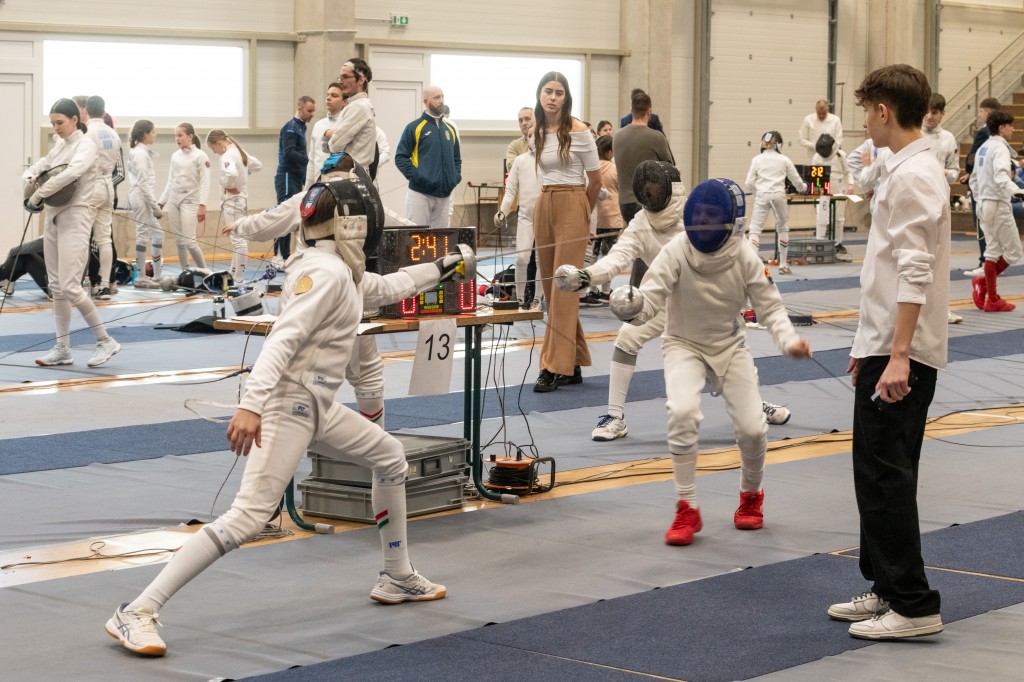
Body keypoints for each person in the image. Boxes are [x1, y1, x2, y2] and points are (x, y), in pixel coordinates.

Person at [104, 160, 464, 658]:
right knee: (247, 517)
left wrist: (442, 266)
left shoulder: (335, 269)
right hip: (288, 403)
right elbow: (283, 338)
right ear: (352, 224)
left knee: (389, 457)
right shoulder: (325, 273)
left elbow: (385, 288)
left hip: (316, 404)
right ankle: (137, 609)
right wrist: (252, 405)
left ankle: (396, 575)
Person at [608, 178, 811, 545]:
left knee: (752, 429)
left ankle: (751, 495)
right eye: (697, 213)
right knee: (682, 412)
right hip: (683, 344)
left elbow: (770, 309)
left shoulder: (745, 257)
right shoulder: (677, 250)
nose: (702, 220)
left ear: (728, 221)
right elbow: (651, 299)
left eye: (711, 214)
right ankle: (687, 507)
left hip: (730, 346)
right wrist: (634, 308)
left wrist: (789, 342)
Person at [827, 63, 949, 641]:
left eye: (866, 111)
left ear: (883, 110)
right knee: (875, 471)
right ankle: (884, 585)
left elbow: (914, 271)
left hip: (905, 350)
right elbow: (881, 271)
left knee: (886, 477)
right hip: (885, 342)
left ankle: (913, 604)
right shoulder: (902, 168)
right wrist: (868, 345)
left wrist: (898, 355)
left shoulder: (915, 175)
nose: (864, 122)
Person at [554, 161, 798, 441]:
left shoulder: (694, 215)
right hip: (658, 299)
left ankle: (754, 405)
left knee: (724, 362)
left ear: (672, 189)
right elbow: (617, 258)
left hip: (702, 301)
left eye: (655, 186)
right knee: (626, 338)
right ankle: (615, 417)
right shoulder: (642, 222)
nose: (650, 191)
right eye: (646, 187)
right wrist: (586, 276)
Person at [22, 98, 120, 367]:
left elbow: (72, 173)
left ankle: (105, 340)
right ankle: (62, 348)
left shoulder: (87, 145)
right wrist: (29, 177)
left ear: (75, 119)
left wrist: (39, 194)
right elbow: (44, 164)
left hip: (76, 218)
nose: (56, 128)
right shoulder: (60, 144)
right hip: (53, 217)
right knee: (56, 288)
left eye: (60, 123)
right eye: (52, 123)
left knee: (70, 286)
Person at [530, 71, 602, 392]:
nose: (553, 97)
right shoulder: (536, 131)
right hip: (545, 202)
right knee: (551, 288)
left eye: (559, 92)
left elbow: (595, 181)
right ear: (540, 94)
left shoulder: (580, 131)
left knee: (564, 286)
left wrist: (583, 215)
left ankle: (552, 366)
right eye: (548, 91)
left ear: (566, 97)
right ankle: (573, 362)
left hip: (573, 200)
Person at [969, 110, 1022, 313]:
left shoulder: (983, 147)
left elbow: (974, 180)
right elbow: (1001, 177)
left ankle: (992, 299)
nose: (1013, 129)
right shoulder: (999, 148)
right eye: (1010, 126)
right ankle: (984, 282)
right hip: (997, 204)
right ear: (1002, 128)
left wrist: (980, 199)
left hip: (984, 204)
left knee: (992, 252)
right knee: (1014, 252)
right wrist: (1018, 192)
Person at [922, 93, 966, 324]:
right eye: (927, 111)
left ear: (942, 114)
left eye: (935, 112)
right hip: (917, 202)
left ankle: (940, 310)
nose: (930, 116)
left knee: (939, 261)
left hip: (939, 203)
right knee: (916, 258)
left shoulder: (948, 138)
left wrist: (946, 174)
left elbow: (955, 171)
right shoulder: (912, 133)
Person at [394, 85, 462, 229]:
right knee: (417, 237)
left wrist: (454, 178)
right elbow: (401, 157)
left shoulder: (450, 129)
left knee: (440, 239)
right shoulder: (414, 127)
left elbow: (456, 158)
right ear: (426, 101)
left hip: (444, 195)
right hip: (420, 194)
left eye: (442, 97)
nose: (441, 101)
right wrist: (418, 177)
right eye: (436, 97)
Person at [745, 131, 807, 275]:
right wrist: (803, 188)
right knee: (783, 229)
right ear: (779, 144)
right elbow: (797, 181)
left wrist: (757, 193)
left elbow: (749, 183)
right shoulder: (784, 159)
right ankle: (783, 265)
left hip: (762, 195)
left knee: (755, 230)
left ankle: (753, 269)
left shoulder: (757, 160)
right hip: (779, 195)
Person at [207, 130, 262, 284]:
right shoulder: (239, 151)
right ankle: (233, 274)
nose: (215, 152)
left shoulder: (227, 155)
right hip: (241, 200)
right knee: (238, 239)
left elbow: (231, 173)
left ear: (218, 143)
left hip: (233, 201)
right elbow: (257, 165)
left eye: (213, 149)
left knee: (238, 240)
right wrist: (245, 172)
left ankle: (238, 279)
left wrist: (229, 186)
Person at [613, 89, 674, 225]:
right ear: (649, 111)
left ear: (631, 110)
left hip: (625, 203)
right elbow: (670, 168)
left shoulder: (617, 137)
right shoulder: (657, 137)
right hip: (649, 203)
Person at [82, 96, 122, 300]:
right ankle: (105, 285)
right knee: (104, 238)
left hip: (92, 186)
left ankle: (80, 284)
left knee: (83, 237)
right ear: (103, 111)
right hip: (108, 188)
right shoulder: (113, 133)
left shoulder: (87, 132)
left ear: (86, 110)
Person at [157, 123, 209, 279]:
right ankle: (185, 275)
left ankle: (206, 275)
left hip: (190, 201)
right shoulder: (175, 156)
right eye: (176, 136)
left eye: (180, 135)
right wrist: (161, 202)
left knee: (190, 242)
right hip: (174, 200)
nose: (177, 139)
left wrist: (202, 205)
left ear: (190, 137)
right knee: (179, 242)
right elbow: (170, 181)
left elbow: (205, 182)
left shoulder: (201, 156)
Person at [495, 145, 542, 309]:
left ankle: (537, 299)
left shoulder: (550, 159)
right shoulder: (520, 161)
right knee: (522, 258)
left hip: (546, 217)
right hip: (525, 217)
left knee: (542, 261)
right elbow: (510, 190)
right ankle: (520, 299)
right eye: (531, 135)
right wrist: (503, 211)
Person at [272, 96, 316, 268]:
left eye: (313, 111)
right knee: (284, 214)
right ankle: (278, 256)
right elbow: (289, 153)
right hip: (287, 176)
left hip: (297, 177)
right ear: (300, 108)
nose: (312, 114)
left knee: (293, 216)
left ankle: (286, 255)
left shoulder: (301, 127)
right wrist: (310, 161)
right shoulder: (290, 128)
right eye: (309, 110)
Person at [960, 97, 1001, 276]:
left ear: (989, 112)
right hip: (988, 183)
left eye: (982, 111)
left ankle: (985, 261)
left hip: (982, 186)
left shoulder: (985, 132)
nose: (979, 114)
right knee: (989, 225)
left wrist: (970, 171)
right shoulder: (997, 135)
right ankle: (990, 260)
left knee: (982, 224)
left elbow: (973, 157)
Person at [126, 120, 165, 288]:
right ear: (145, 134)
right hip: (140, 196)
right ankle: (141, 277)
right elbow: (143, 183)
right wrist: (155, 206)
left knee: (158, 234)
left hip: (142, 195)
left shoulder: (141, 152)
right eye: (153, 132)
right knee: (143, 234)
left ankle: (157, 276)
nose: (155, 135)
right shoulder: (140, 154)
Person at [329, 58, 377, 169]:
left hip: (352, 173)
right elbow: (328, 145)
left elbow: (334, 145)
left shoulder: (359, 107)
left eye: (345, 77)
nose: (341, 81)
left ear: (361, 80)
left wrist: (327, 133)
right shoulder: (354, 105)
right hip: (350, 171)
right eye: (340, 77)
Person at [810, 133, 850, 254]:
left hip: (839, 188)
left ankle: (838, 243)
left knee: (838, 218)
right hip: (823, 189)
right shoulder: (817, 157)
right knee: (821, 216)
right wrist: (815, 191)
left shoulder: (840, 155)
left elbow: (848, 172)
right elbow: (815, 176)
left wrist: (850, 185)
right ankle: (820, 242)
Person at [305, 83, 345, 190]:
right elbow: (312, 159)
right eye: (328, 95)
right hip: (319, 186)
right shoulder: (318, 125)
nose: (328, 98)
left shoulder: (347, 126)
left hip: (340, 187)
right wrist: (307, 189)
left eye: (334, 95)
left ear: (344, 102)